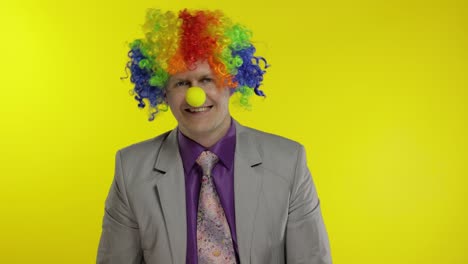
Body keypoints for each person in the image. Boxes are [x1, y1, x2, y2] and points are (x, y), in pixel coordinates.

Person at [97, 9, 332, 264]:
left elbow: (312, 259)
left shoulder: (288, 162)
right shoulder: (131, 168)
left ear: (231, 84)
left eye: (207, 80)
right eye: (181, 83)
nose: (194, 95)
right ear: (163, 92)